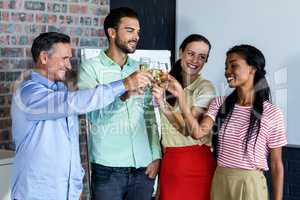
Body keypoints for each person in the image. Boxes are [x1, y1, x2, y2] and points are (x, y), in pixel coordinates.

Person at [10, 32, 153, 200]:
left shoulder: (62, 91)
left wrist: (76, 187)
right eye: (64, 58)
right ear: (44, 58)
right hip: (36, 194)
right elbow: (75, 101)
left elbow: (70, 146)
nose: (69, 65)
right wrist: (124, 84)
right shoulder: (28, 93)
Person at [162, 44, 287, 200]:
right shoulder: (219, 104)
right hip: (220, 179)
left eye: (233, 65)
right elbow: (197, 132)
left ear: (252, 69)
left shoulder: (272, 113)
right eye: (226, 66)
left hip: (250, 183)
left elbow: (276, 165)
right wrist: (181, 97)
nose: (227, 71)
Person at [78, 7, 161, 200]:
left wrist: (156, 155)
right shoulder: (91, 69)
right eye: (130, 30)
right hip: (108, 169)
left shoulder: (141, 68)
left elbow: (149, 115)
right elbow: (93, 116)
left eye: (138, 32)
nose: (136, 36)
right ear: (112, 32)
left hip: (143, 167)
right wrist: (124, 94)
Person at [152, 34, 216, 200]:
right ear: (181, 51)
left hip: (197, 163)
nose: (195, 60)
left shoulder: (205, 88)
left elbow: (187, 129)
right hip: (170, 161)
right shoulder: (163, 81)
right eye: (191, 53)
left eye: (202, 57)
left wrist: (177, 97)